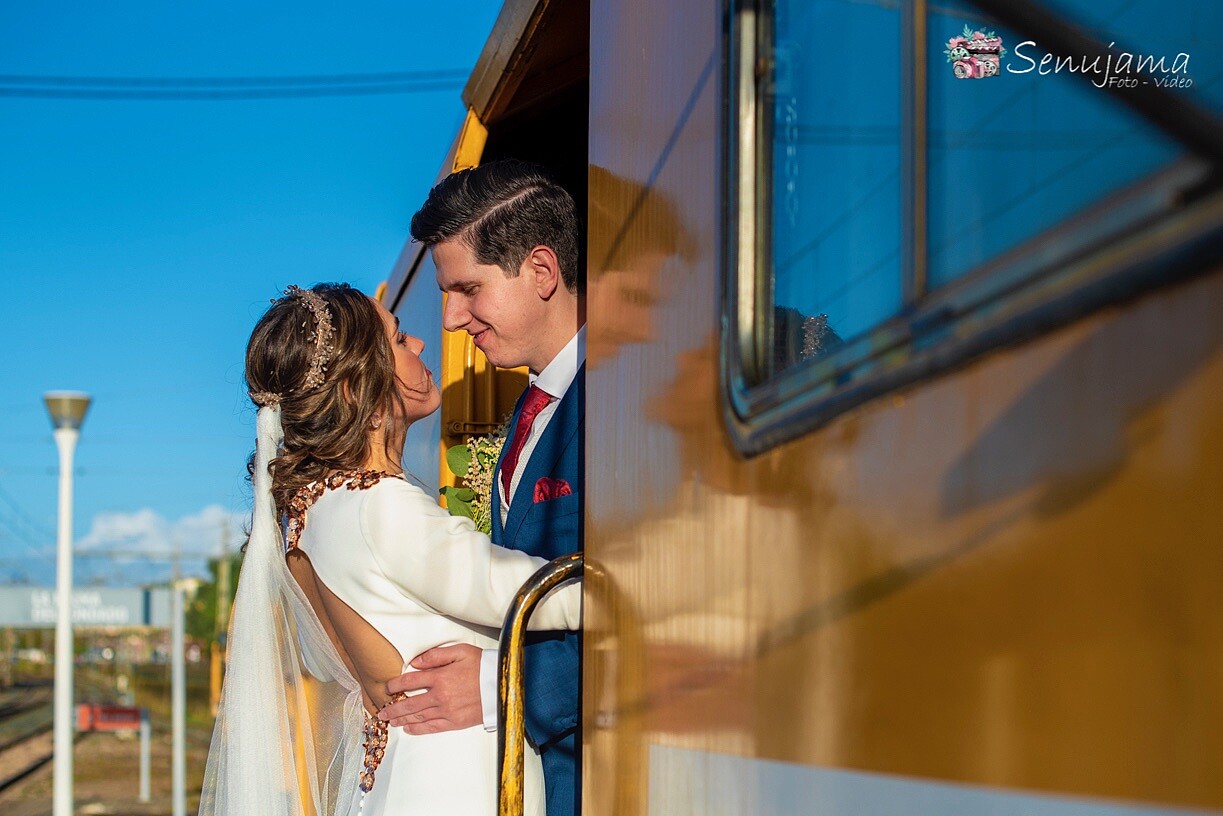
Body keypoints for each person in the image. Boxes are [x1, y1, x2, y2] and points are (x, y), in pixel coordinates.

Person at [199, 283, 582, 816]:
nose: (423, 344)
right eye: (400, 339)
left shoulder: (304, 521)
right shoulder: (378, 508)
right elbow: (539, 598)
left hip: (394, 782)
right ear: (360, 390)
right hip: (455, 784)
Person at [378, 160, 584, 816]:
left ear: (541, 271)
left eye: (467, 289)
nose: (449, 319)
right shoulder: (527, 416)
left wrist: (503, 682)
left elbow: (661, 594)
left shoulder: (627, 397)